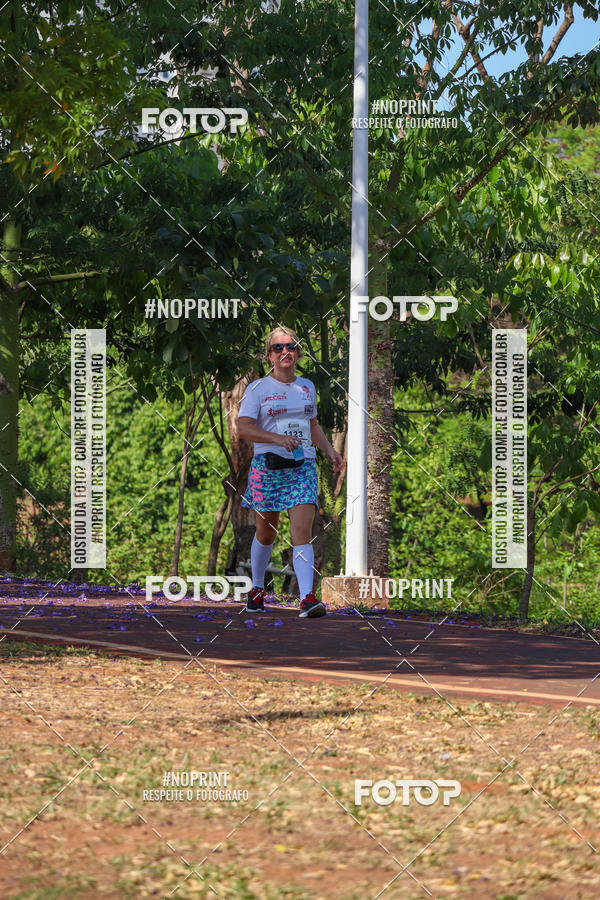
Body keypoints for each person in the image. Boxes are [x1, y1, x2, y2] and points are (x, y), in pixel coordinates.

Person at [237, 326, 344, 617]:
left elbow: (312, 426)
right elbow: (243, 426)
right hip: (268, 467)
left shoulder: (306, 387)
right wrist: (276, 439)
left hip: (302, 467)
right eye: (278, 347)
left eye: (291, 346)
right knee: (267, 532)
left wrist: (330, 451)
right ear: (269, 355)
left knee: (302, 530)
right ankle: (257, 589)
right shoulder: (258, 389)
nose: (286, 351)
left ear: (298, 352)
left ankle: (308, 598)